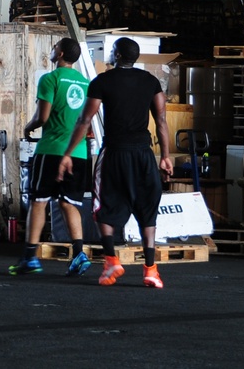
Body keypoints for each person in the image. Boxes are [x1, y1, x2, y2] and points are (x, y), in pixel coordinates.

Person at [58, 36, 173, 289]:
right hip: (144, 154)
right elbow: (162, 122)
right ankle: (151, 270)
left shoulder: (102, 81)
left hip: (115, 152)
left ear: (118, 55)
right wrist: (165, 156)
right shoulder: (151, 82)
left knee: (104, 207)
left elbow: (85, 120)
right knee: (147, 209)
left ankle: (111, 260)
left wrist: (67, 153)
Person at [10, 37, 91, 277]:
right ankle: (78, 254)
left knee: (39, 201)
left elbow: (42, 117)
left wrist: (28, 127)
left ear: (61, 53)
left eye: (55, 47)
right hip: (79, 153)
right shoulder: (86, 83)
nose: (53, 50)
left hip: (51, 150)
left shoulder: (50, 79)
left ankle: (30, 257)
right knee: (69, 203)